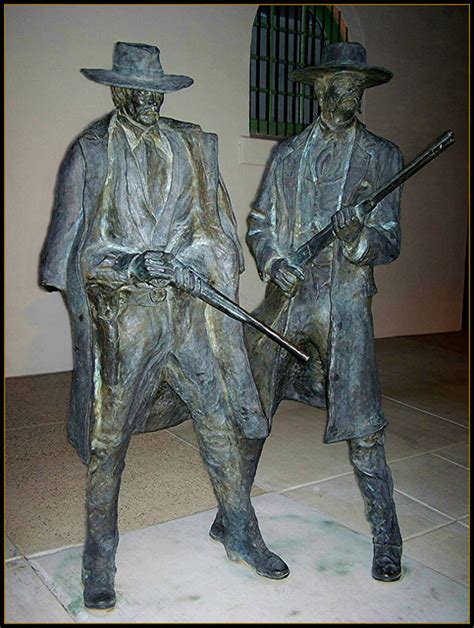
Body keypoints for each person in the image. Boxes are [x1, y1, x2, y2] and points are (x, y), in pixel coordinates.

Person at [39, 42, 289, 610]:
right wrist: (131, 264)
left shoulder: (192, 146)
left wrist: (194, 258)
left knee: (219, 423)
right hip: (128, 320)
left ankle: (241, 531)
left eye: (160, 92)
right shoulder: (93, 151)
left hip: (190, 315)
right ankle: (98, 558)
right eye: (141, 92)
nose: (152, 102)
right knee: (109, 442)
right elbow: (77, 254)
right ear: (118, 91)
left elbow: (219, 228)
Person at [245, 42, 403, 582]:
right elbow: (260, 223)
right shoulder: (288, 154)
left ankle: (387, 537)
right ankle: (234, 515)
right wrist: (274, 263)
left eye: (358, 89)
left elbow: (389, 238)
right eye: (342, 87)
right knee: (253, 410)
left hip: (344, 307)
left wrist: (359, 238)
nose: (350, 97)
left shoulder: (383, 156)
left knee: (364, 425)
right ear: (319, 89)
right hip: (289, 302)